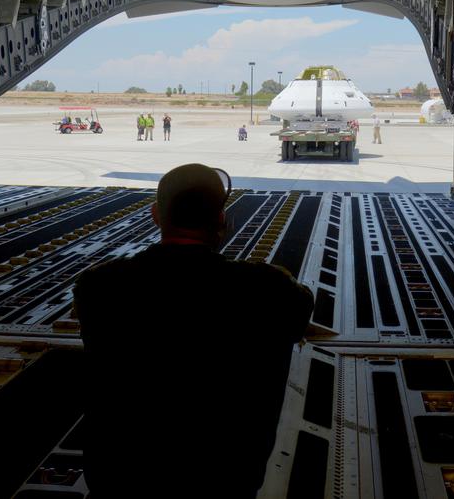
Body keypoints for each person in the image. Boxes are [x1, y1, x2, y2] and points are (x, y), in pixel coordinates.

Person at [73, 164, 314, 497]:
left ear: (156, 215)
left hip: (120, 482)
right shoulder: (269, 290)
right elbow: (300, 309)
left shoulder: (99, 285)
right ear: (222, 220)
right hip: (222, 483)